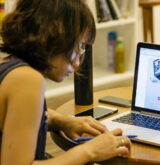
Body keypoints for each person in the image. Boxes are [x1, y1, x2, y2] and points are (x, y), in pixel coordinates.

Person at [0, 0, 131, 164]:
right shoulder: (28, 80)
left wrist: (63, 121)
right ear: (55, 34)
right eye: (78, 46)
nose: (77, 62)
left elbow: (20, 117)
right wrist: (89, 151)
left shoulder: (10, 65)